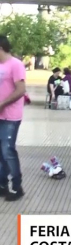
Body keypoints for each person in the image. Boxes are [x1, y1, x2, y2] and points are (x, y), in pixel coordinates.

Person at [0, 35, 27, 201]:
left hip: (11, 116)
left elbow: (21, 90)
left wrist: (3, 103)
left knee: (8, 151)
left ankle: (17, 187)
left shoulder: (16, 64)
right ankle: (2, 185)